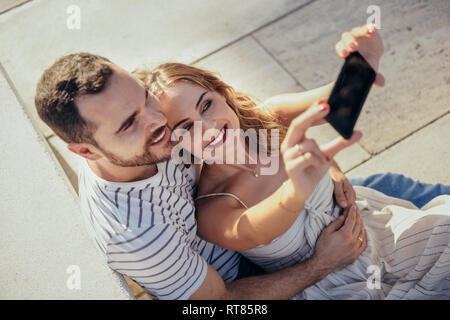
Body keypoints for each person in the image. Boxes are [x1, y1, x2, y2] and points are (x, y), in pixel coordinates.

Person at [136, 26, 450, 299]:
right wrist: (296, 190)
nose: (208, 127)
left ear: (221, 94)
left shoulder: (266, 117)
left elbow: (339, 99)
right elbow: (254, 230)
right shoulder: (212, 207)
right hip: (334, 288)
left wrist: (365, 58)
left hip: (381, 233)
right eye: (187, 127)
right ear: (175, 142)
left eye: (206, 105)